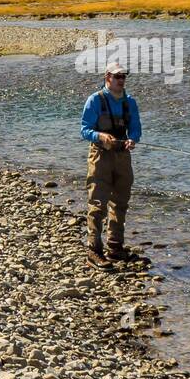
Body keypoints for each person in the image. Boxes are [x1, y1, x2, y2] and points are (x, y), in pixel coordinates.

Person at [81, 63, 141, 265]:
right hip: (100, 156)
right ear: (108, 77)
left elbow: (136, 129)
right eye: (118, 77)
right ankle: (94, 250)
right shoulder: (95, 100)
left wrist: (133, 139)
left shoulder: (130, 102)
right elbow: (84, 130)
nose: (122, 80)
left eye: (124, 76)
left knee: (121, 202)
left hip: (123, 157)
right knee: (97, 203)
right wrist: (100, 136)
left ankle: (115, 247)